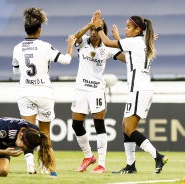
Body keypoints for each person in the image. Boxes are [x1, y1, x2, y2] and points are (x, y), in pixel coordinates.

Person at [94, 10, 168, 174]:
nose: (125, 29)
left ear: (137, 30)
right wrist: (118, 43)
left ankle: (158, 156)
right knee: (125, 126)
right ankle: (131, 165)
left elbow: (106, 42)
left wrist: (99, 28)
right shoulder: (140, 43)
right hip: (143, 90)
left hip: (139, 90)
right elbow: (126, 57)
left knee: (129, 129)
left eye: (128, 27)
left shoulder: (134, 42)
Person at [12, 7, 76, 174]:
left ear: (26, 29)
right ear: (39, 30)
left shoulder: (17, 48)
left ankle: (30, 165)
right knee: (44, 132)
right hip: (45, 93)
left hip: (25, 92)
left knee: (26, 131)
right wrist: (70, 46)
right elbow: (66, 61)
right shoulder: (46, 46)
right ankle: (46, 167)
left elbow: (16, 71)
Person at [71, 12, 125, 174]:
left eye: (96, 30)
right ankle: (88, 156)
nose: (92, 33)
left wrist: (131, 50)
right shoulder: (83, 42)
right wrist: (90, 24)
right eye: (91, 30)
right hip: (81, 89)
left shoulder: (107, 47)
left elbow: (126, 58)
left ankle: (101, 164)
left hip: (97, 90)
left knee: (99, 125)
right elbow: (75, 37)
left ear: (102, 31)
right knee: (76, 125)